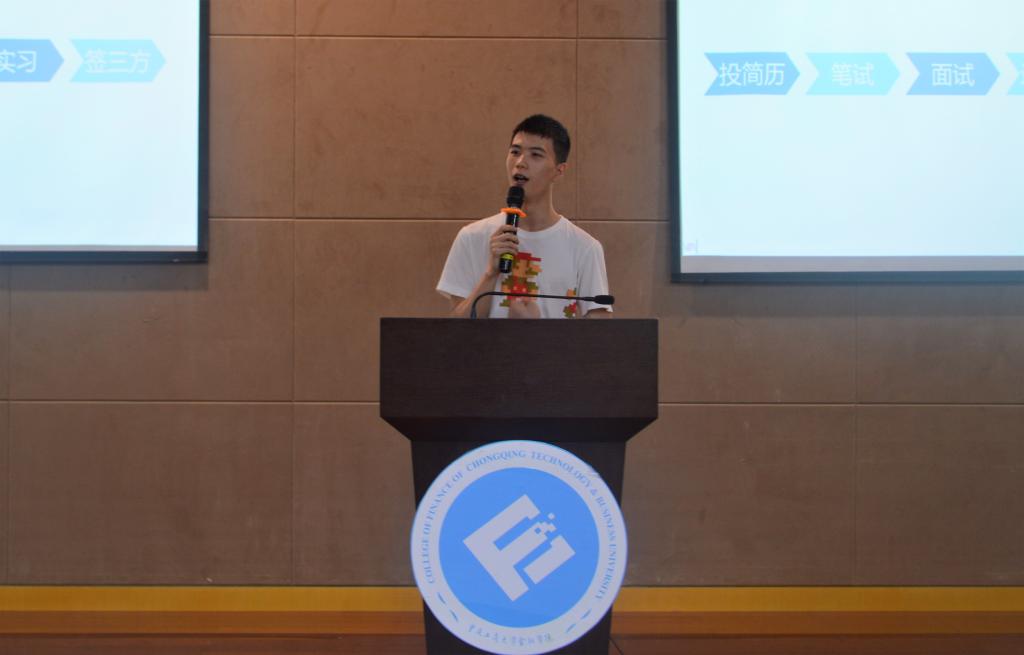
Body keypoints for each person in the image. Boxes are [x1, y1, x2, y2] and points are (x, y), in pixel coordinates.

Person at [437, 114, 612, 319]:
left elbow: (600, 333)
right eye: (515, 152)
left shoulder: (584, 248)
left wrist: (531, 331)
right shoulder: (471, 237)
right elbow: (456, 332)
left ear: (559, 170)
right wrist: (491, 274)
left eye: (535, 155)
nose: (520, 162)